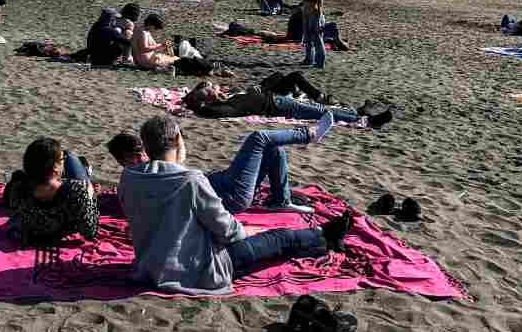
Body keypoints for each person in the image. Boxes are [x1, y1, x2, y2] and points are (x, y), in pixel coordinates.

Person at [117, 116, 354, 295]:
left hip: (149, 266)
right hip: (198, 271)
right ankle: (323, 234)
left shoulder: (128, 179)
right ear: (178, 140)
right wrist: (246, 232)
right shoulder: (189, 179)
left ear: (146, 148)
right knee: (279, 238)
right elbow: (227, 229)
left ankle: (322, 241)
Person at [107, 120, 332, 215]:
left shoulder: (144, 170)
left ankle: (280, 201)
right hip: (230, 195)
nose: (142, 155)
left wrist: (176, 137)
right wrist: (176, 135)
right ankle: (308, 134)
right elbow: (179, 158)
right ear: (130, 158)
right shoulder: (144, 172)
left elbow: (180, 157)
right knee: (259, 138)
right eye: (138, 153)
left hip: (220, 185)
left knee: (274, 151)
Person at [182, 78, 393, 128]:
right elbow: (213, 113)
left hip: (278, 99)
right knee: (321, 112)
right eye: (210, 87)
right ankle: (364, 119)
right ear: (206, 96)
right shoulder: (226, 106)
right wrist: (196, 104)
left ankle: (360, 115)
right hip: (279, 106)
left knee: (321, 109)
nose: (215, 86)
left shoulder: (229, 96)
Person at [4, 137, 99, 246]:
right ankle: (86, 169)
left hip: (33, 234)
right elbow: (90, 232)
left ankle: (82, 167)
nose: (63, 162)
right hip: (60, 230)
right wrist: (91, 196)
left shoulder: (18, 190)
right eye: (62, 160)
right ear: (55, 167)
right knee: (70, 155)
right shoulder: (77, 190)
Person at [299, 0, 326, 68]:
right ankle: (308, 59)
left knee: (317, 39)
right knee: (307, 38)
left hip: (314, 16)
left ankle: (320, 62)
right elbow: (304, 1)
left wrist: (318, 20)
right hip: (306, 14)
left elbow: (320, 5)